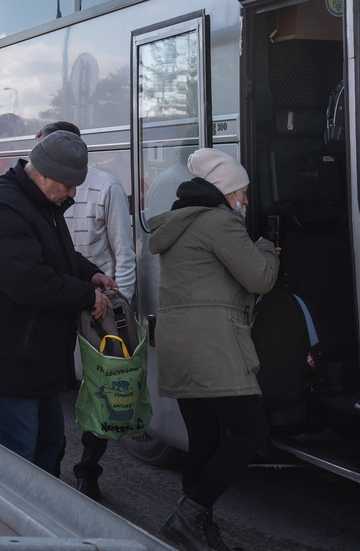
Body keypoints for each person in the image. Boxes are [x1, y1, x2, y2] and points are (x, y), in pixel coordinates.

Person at [0, 130, 116, 476]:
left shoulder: (40, 203)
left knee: (48, 451)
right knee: (19, 465)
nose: (73, 193)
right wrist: (86, 295)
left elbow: (58, 256)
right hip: (9, 363)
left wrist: (90, 274)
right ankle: (16, 529)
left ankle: (43, 528)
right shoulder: (3, 207)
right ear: (43, 173)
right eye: (68, 184)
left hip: (35, 360)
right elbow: (28, 281)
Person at [147, 148, 279, 551]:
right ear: (223, 191)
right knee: (249, 431)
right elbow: (260, 279)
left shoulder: (179, 222)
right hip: (213, 348)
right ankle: (190, 515)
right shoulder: (220, 223)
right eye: (240, 193)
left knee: (204, 440)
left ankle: (198, 534)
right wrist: (269, 248)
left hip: (179, 346)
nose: (244, 202)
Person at [36, 121, 137, 501]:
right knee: (56, 387)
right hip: (54, 303)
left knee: (99, 390)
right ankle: (53, 465)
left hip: (97, 309)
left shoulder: (105, 187)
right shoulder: (36, 193)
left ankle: (88, 471)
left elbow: (123, 254)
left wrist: (120, 309)